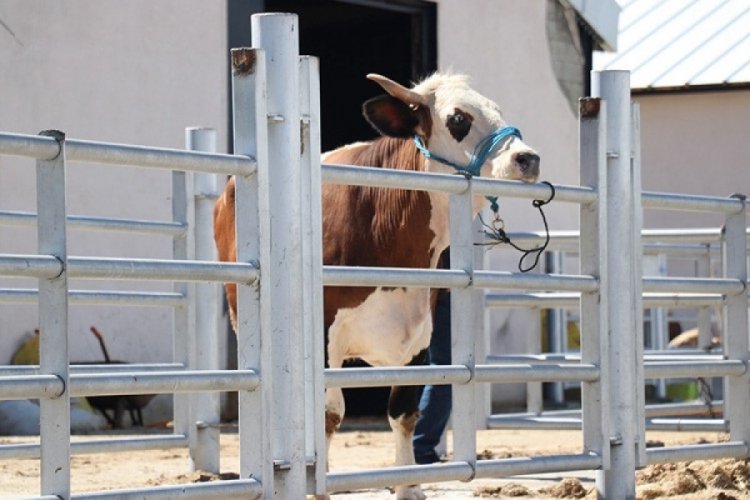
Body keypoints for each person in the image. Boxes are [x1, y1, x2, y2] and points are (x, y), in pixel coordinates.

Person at [413, 249, 452, 464]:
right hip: (441, 283)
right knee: (446, 370)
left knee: (429, 365)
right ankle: (420, 446)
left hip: (425, 279)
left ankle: (418, 445)